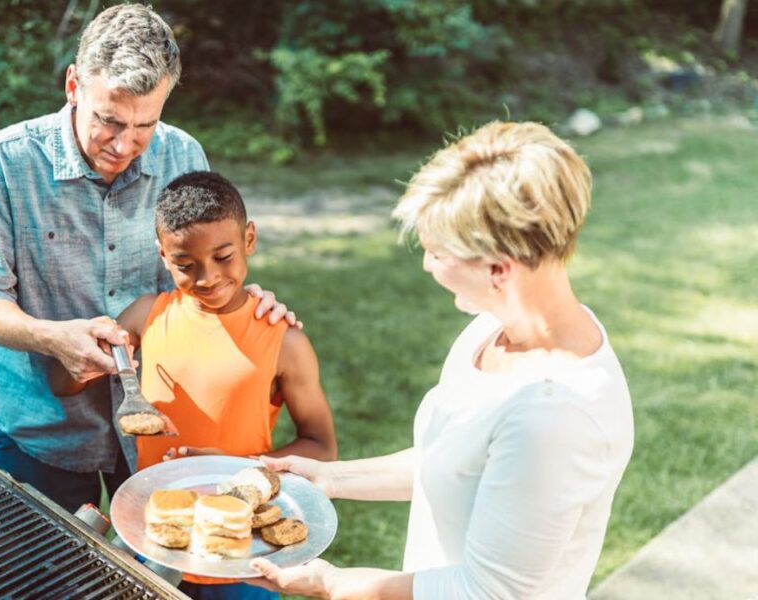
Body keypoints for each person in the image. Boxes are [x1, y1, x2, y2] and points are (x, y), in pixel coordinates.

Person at [249, 121, 634, 599]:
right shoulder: (492, 330)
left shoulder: (555, 417)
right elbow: (454, 464)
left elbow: (487, 593)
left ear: (499, 269)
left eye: (437, 251)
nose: (427, 265)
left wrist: (331, 582)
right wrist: (330, 477)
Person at [0, 4, 294, 514]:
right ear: (73, 86)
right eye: (109, 120)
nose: (125, 144)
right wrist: (50, 337)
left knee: (165, 583)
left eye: (145, 124)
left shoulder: (183, 157)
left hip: (162, 427)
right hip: (42, 432)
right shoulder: (4, 163)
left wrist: (243, 304)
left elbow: (199, 274)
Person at [51, 171, 337, 600]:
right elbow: (63, 384)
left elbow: (321, 445)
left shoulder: (284, 341)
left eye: (224, 256)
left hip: (243, 551)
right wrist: (85, 352)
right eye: (185, 265)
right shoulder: (145, 317)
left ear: (249, 240)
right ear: (162, 256)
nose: (206, 277)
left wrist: (241, 467)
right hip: (157, 537)